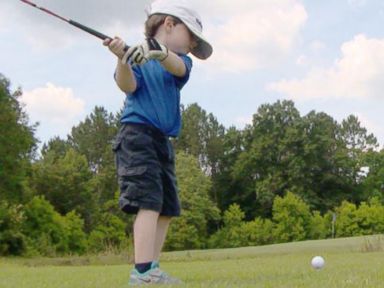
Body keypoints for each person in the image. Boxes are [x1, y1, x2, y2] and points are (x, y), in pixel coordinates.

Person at [103, 0, 212, 285]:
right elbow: (127, 85)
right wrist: (122, 58)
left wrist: (158, 52)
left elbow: (177, 67)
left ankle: (152, 267)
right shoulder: (136, 58)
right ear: (169, 24)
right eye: (191, 38)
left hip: (162, 140)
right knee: (148, 202)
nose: (191, 47)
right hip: (136, 135)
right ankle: (141, 274)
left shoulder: (179, 61)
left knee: (167, 207)